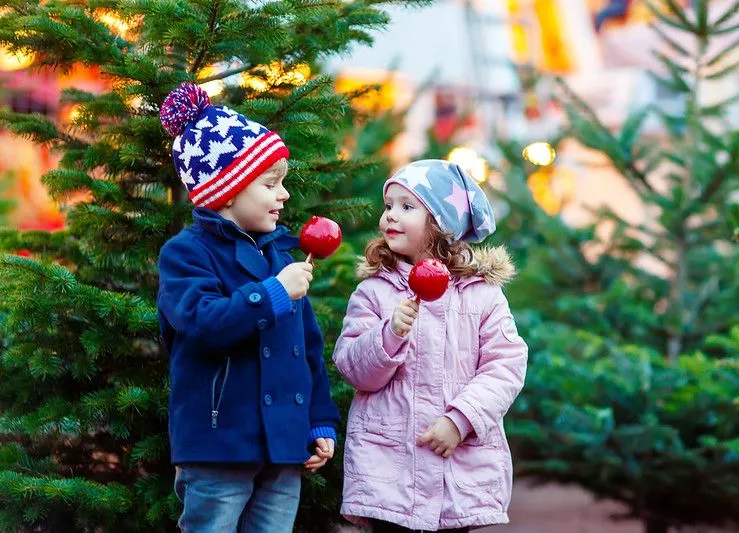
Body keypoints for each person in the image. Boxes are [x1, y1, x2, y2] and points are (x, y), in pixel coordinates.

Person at [156, 82, 339, 533]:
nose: (285, 195)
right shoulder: (186, 253)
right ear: (227, 189)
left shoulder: (280, 256)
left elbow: (307, 351)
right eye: (271, 183)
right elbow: (204, 323)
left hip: (283, 444)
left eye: (284, 183)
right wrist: (274, 293)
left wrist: (319, 421)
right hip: (219, 444)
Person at [333, 159, 528, 532]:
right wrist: (388, 335)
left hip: (455, 473)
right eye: (388, 205)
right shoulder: (375, 291)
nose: (390, 215)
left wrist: (461, 420)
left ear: (441, 225)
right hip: (390, 473)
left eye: (407, 207)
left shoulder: (482, 296)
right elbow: (353, 368)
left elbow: (506, 365)